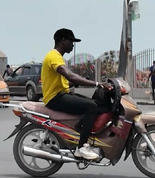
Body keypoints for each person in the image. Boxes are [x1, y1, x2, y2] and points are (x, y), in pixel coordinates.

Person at [42, 28, 112, 161]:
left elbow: (64, 81)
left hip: (60, 94)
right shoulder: (54, 56)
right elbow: (70, 76)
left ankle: (80, 129)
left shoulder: (57, 57)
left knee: (94, 104)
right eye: (71, 41)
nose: (72, 45)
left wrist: (78, 82)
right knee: (91, 106)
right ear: (63, 41)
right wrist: (97, 84)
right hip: (55, 98)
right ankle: (81, 148)